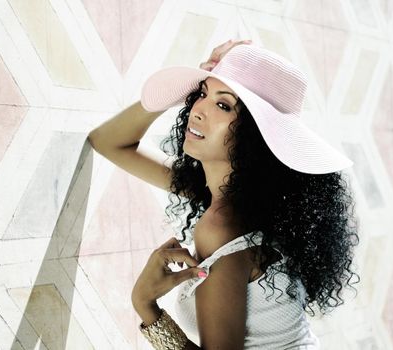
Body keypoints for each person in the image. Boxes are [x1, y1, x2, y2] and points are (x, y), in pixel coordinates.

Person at [87, 39, 360, 349]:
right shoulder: (248, 201)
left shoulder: (224, 226)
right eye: (201, 94)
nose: (198, 110)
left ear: (256, 135)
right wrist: (180, 87)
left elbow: (108, 142)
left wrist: (146, 307)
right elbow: (107, 141)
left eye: (223, 105)